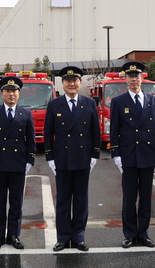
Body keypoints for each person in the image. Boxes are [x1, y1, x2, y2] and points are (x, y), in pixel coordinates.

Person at [44, 66, 100, 252]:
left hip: (83, 158)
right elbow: (48, 133)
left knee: (81, 200)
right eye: (68, 81)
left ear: (80, 83)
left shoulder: (89, 103)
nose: (71, 84)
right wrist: (50, 156)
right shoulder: (54, 104)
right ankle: (63, 238)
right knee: (62, 200)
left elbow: (95, 132)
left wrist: (94, 155)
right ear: (63, 83)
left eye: (75, 80)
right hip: (62, 158)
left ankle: (79, 238)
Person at [110, 62, 155, 248]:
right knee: (129, 198)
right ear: (125, 79)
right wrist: (116, 154)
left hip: (148, 154)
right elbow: (114, 130)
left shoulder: (152, 100)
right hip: (128, 156)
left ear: (142, 79)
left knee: (146, 198)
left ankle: (144, 233)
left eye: (137, 76)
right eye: (130, 76)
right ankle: (130, 234)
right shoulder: (118, 102)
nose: (134, 80)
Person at [0, 76, 36, 250]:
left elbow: (31, 140)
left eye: (14, 91)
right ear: (2, 93)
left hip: (18, 162)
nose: (11, 94)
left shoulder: (26, 113)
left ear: (19, 94)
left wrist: (30, 159)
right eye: (7, 91)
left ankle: (13, 235)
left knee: (16, 201)